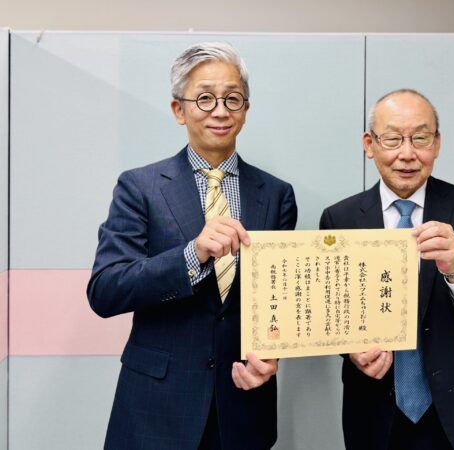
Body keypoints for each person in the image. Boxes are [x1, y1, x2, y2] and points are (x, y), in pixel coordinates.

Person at [87, 42, 297, 450]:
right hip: (156, 408)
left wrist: (271, 354)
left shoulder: (275, 194)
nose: (220, 111)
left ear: (246, 109)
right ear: (178, 110)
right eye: (204, 98)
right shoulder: (140, 187)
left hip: (242, 404)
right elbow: (105, 290)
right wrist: (192, 255)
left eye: (232, 98)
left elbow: (279, 299)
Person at [320, 89, 454, 450]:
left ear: (437, 144)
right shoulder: (341, 218)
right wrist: (351, 349)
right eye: (393, 139)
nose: (407, 153)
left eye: (421, 138)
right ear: (369, 144)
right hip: (375, 407)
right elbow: (332, 313)